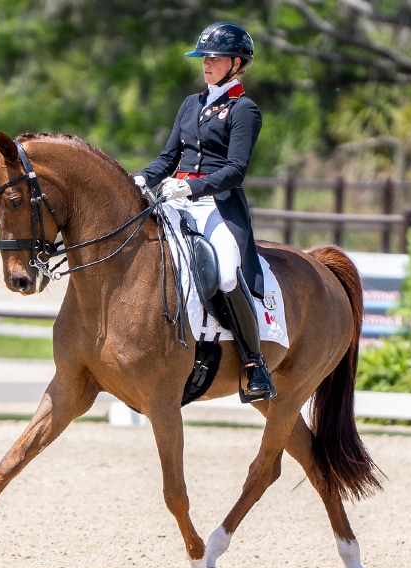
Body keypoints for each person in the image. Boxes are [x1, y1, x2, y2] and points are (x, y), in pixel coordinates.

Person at [133, 22, 275, 401]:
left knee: (227, 275)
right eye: (204, 58)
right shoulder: (191, 103)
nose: (206, 64)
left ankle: (253, 362)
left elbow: (235, 171)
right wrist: (141, 179)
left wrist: (192, 185)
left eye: (213, 58)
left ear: (236, 62)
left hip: (216, 205)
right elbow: (168, 157)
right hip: (174, 200)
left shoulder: (245, 110)